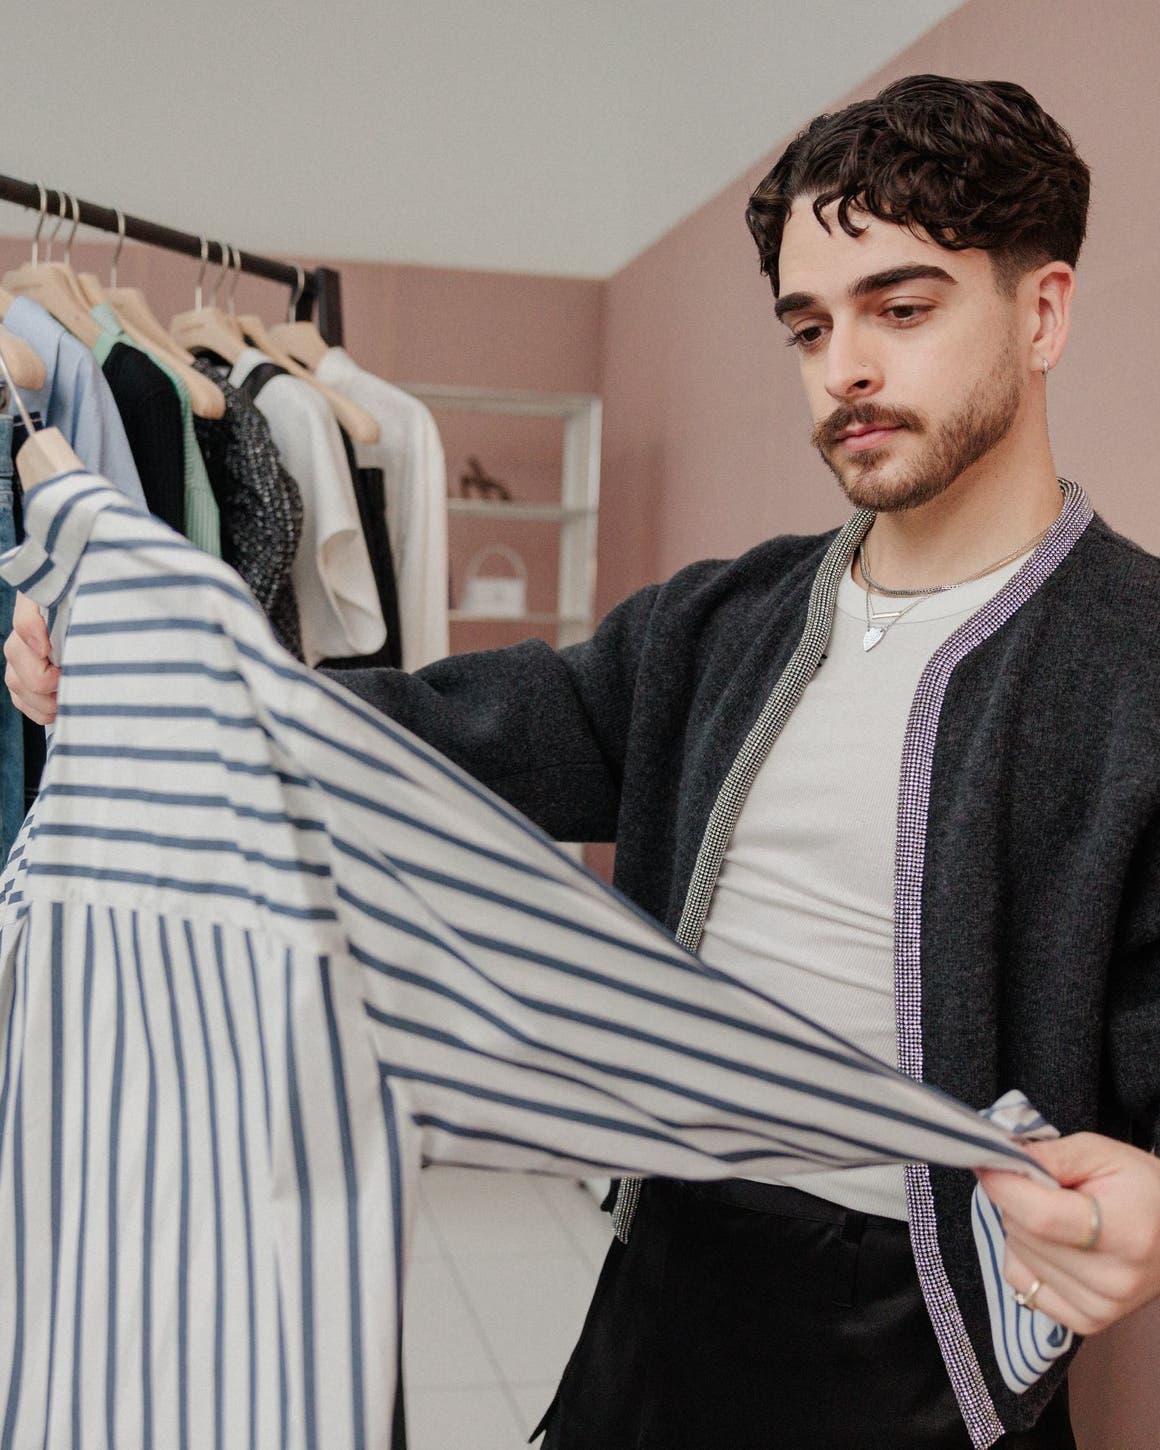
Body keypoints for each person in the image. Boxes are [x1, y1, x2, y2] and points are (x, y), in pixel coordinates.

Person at [7, 74, 1160, 1450]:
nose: (844, 365)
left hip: (938, 1329)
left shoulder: (1135, 667)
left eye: (900, 309)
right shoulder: (725, 619)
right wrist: (189, 686)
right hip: (672, 1265)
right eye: (809, 325)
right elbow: (483, 724)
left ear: (1042, 311)